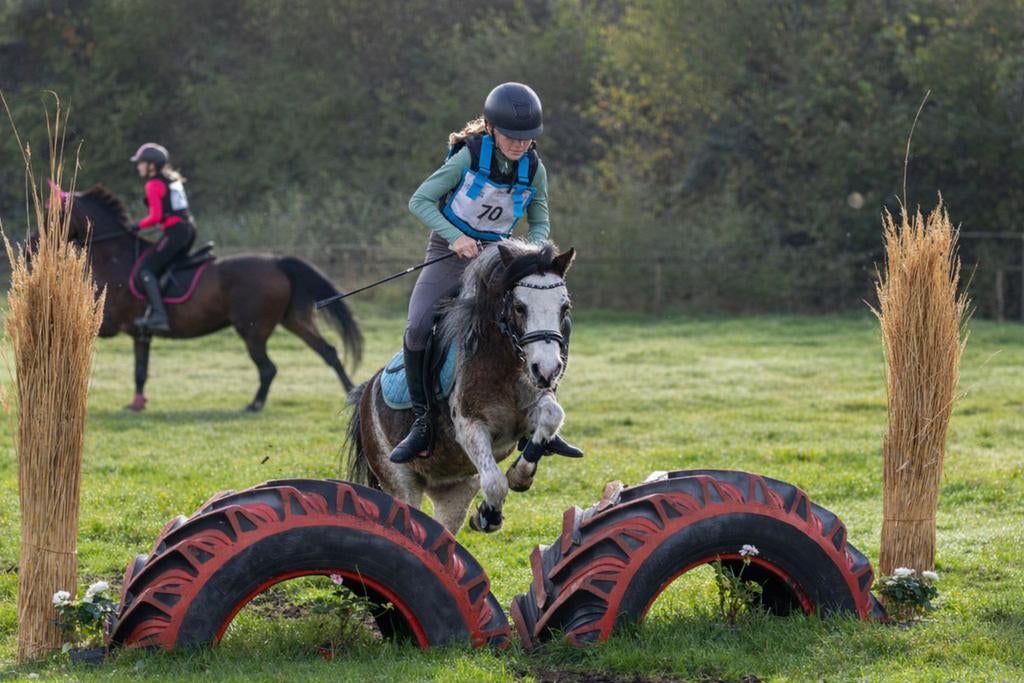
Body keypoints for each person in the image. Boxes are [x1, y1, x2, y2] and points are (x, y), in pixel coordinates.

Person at [389, 82, 581, 464]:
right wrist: (455, 236)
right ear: (492, 129)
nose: (519, 144)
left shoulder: (534, 168)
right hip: (449, 252)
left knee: (551, 318)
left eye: (527, 138)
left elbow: (540, 221)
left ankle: (544, 411)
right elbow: (420, 200)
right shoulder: (467, 158)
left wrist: (532, 254)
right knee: (418, 326)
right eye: (512, 136)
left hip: (501, 257)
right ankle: (424, 422)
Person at [130, 143, 196, 332]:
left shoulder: (153, 184)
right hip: (189, 230)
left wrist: (136, 226)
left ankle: (159, 316)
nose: (138, 167)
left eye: (141, 163)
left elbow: (156, 217)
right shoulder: (171, 180)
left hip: (176, 233)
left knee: (145, 270)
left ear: (151, 165)